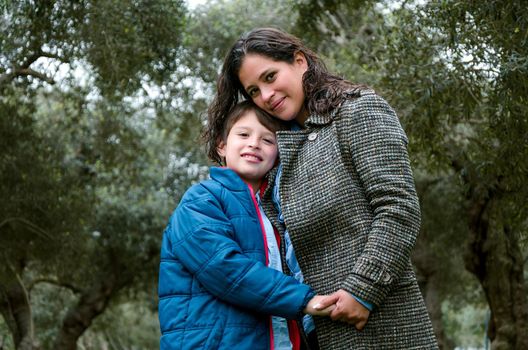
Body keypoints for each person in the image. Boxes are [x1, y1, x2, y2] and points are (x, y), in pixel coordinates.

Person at [207, 27, 439, 349]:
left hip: (377, 327)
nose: (266, 95)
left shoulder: (357, 111)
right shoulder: (281, 150)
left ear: (300, 61)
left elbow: (398, 208)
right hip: (310, 335)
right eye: (254, 91)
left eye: (270, 77)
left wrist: (362, 290)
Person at [158, 101, 334, 350]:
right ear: (222, 146)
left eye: (267, 140)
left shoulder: (279, 211)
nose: (254, 143)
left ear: (278, 153)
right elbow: (224, 268)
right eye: (243, 134)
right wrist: (304, 301)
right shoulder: (201, 200)